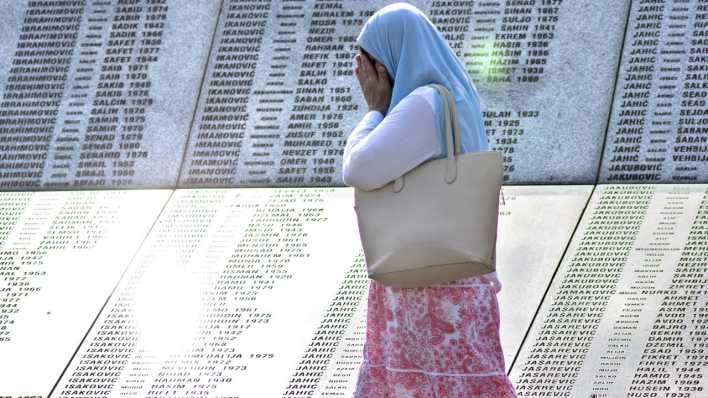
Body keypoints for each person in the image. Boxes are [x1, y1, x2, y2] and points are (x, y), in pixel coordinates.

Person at [342, 3, 518, 397]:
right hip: (456, 282)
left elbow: (359, 166)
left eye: (366, 63)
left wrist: (373, 111)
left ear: (387, 62)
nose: (363, 76)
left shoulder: (426, 104)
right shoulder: (456, 97)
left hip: (426, 291)